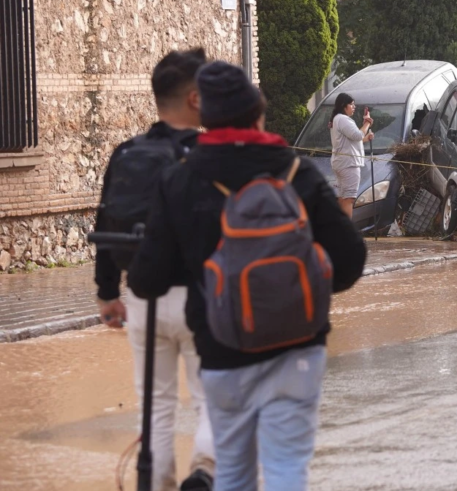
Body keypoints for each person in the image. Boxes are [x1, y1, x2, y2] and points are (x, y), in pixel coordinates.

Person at [128, 61, 367, 491]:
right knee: (286, 471)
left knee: (233, 475)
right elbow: (351, 260)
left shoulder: (179, 181)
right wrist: (297, 289)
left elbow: (148, 280)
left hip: (222, 352)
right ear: (258, 113)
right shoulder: (298, 174)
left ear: (206, 118)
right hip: (298, 349)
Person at [93, 48, 215, 491]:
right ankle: (204, 473)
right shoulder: (210, 156)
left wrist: (108, 294)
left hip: (142, 299)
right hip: (203, 300)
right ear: (196, 98)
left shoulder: (127, 153)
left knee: (157, 410)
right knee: (211, 402)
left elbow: (105, 223)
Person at [329, 92, 373, 217]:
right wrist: (367, 123)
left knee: (342, 198)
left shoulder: (337, 119)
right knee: (349, 198)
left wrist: (366, 138)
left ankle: (341, 230)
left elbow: (353, 140)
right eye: (352, 104)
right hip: (348, 164)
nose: (354, 107)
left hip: (341, 162)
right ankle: (347, 232)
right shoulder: (343, 119)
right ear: (344, 105)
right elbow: (358, 135)